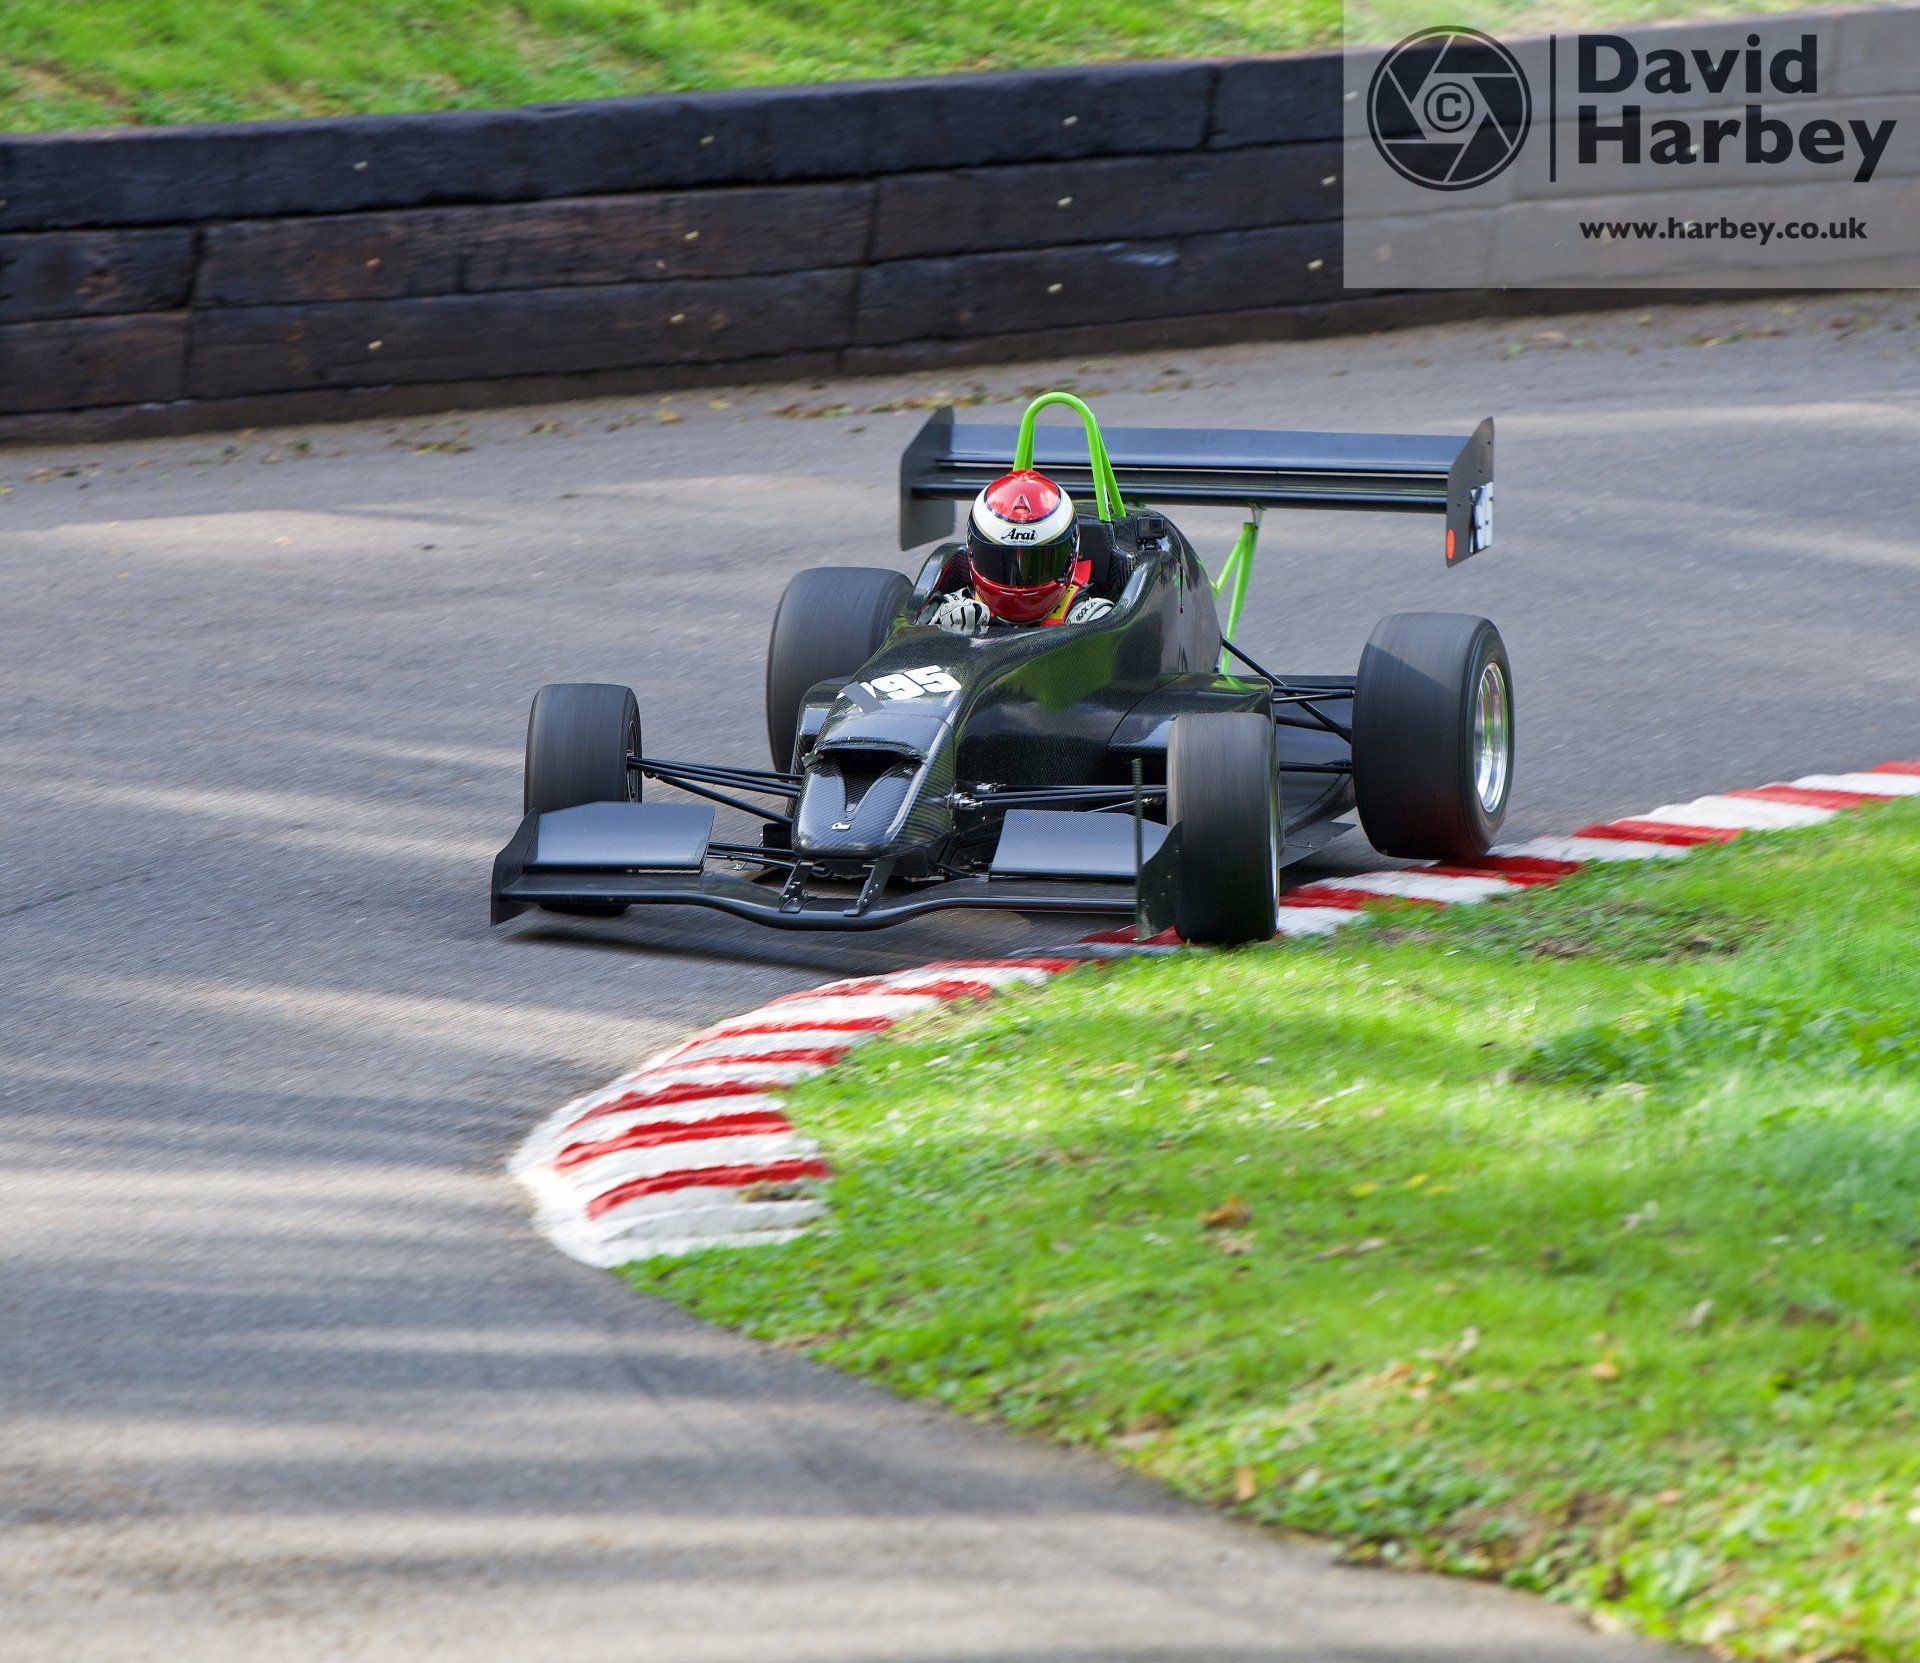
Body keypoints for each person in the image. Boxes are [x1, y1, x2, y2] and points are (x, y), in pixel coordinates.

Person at [921, 469, 1115, 634]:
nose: (1018, 585)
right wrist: (944, 630)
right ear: (972, 552)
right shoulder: (953, 609)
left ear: (1070, 557)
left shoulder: (1088, 617)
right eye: (1000, 562)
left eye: (1037, 564)